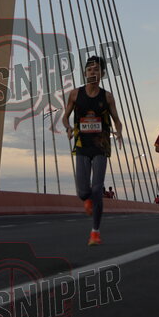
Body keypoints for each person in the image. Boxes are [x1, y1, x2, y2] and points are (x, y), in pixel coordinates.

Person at [63, 55, 123, 246]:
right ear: (85, 73)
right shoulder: (75, 94)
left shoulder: (107, 97)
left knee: (97, 188)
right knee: (83, 192)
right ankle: (87, 199)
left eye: (96, 69)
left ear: (102, 74)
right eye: (89, 69)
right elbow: (65, 117)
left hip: (100, 146)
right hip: (82, 146)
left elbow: (117, 120)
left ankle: (95, 232)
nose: (92, 72)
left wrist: (119, 132)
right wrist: (68, 128)